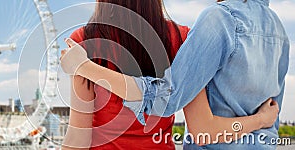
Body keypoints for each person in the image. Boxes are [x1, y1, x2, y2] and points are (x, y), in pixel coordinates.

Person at [61, 0, 283, 149]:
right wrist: (261, 120)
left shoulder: (85, 43)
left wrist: (86, 67)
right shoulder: (180, 38)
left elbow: (78, 136)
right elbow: (203, 127)